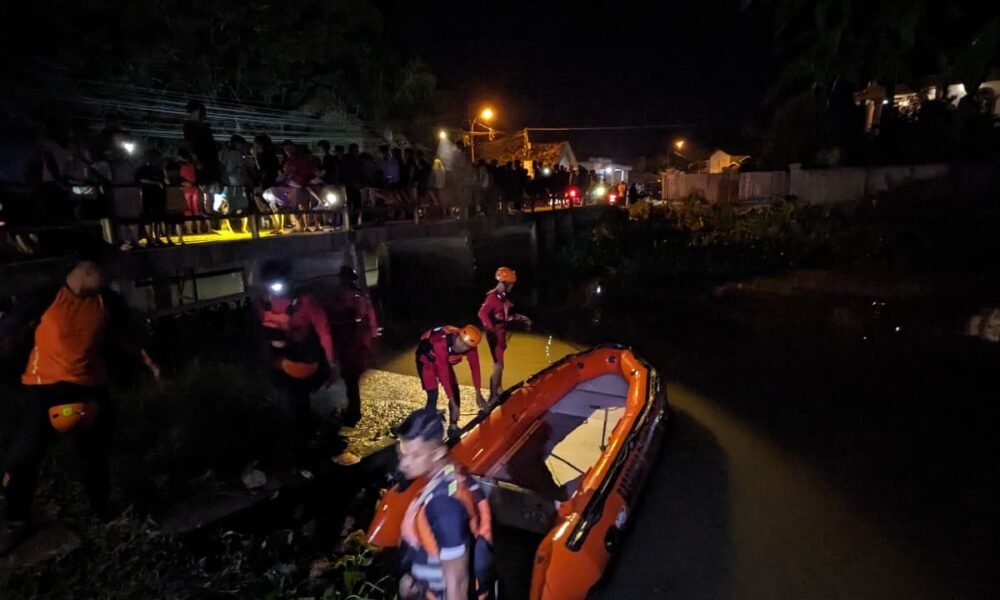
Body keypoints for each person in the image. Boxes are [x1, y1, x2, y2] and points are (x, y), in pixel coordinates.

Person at [0, 246, 160, 553]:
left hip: (90, 387)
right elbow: (8, 329)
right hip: (44, 387)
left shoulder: (107, 302)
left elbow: (131, 334)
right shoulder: (45, 299)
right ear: (84, 269)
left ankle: (101, 510)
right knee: (23, 457)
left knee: (97, 453)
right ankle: (16, 521)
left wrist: (152, 365)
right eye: (103, 269)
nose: (108, 276)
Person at [396, 408, 495, 600]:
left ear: (437, 453)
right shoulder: (452, 476)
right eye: (402, 453)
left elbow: (457, 583)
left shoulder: (444, 506)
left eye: (415, 456)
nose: (404, 464)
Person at [255, 260, 337, 440]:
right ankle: (299, 434)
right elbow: (263, 336)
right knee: (287, 401)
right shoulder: (264, 304)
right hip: (278, 363)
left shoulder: (305, 303)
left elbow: (324, 332)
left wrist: (331, 362)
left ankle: (306, 434)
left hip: (303, 360)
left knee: (297, 398)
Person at [327, 265, 379, 427]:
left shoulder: (344, 297)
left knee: (351, 380)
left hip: (349, 345)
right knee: (352, 379)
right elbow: (369, 317)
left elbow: (366, 317)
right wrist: (371, 334)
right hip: (355, 344)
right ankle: (353, 409)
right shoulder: (358, 295)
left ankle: (354, 412)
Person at [415, 325, 485, 436]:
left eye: (465, 345)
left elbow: (475, 368)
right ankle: (425, 430)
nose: (460, 346)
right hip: (426, 361)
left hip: (443, 361)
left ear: (470, 347)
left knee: (455, 391)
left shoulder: (471, 349)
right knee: (433, 394)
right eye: (460, 340)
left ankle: (453, 426)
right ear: (458, 335)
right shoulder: (441, 343)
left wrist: (478, 392)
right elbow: (443, 373)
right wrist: (451, 401)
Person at [477, 267, 531, 402]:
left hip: (500, 334)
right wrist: (491, 329)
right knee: (498, 365)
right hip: (495, 335)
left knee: (500, 364)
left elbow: (506, 316)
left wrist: (522, 318)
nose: (512, 287)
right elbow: (482, 313)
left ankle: (498, 389)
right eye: (511, 284)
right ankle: (493, 396)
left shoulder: (502, 297)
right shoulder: (493, 297)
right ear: (505, 283)